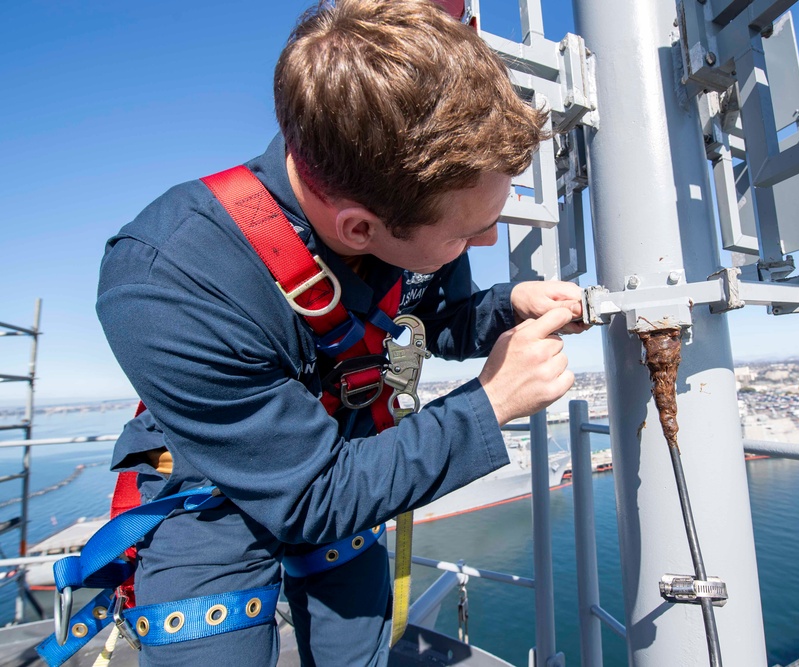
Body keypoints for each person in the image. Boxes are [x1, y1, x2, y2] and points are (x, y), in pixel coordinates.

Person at [93, 0, 585, 665]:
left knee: (357, 649)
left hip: (348, 462)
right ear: (360, 229)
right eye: (469, 233)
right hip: (214, 488)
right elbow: (310, 495)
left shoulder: (410, 192)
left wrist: (509, 305)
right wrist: (491, 403)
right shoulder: (166, 276)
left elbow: (434, 315)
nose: (488, 238)